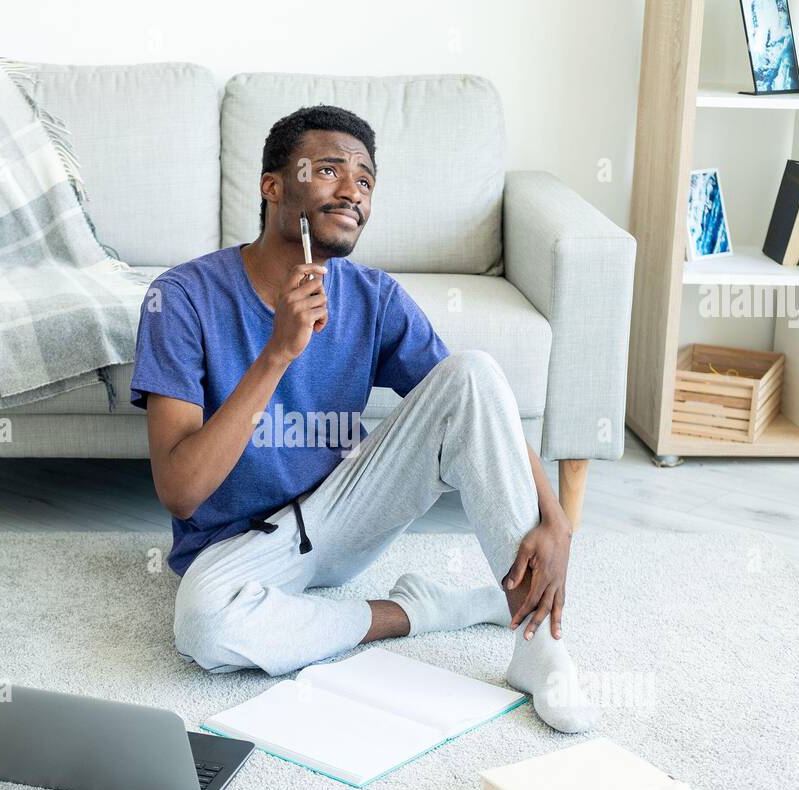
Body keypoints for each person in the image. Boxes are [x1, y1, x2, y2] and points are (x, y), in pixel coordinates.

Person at [129, 105, 598, 733]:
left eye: (366, 179)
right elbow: (180, 493)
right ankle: (416, 611)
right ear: (273, 186)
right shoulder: (181, 297)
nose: (352, 191)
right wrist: (278, 353)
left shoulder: (374, 298)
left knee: (472, 367)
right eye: (328, 170)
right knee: (203, 625)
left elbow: (473, 400)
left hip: (341, 515)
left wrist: (556, 517)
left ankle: (539, 652)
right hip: (238, 548)